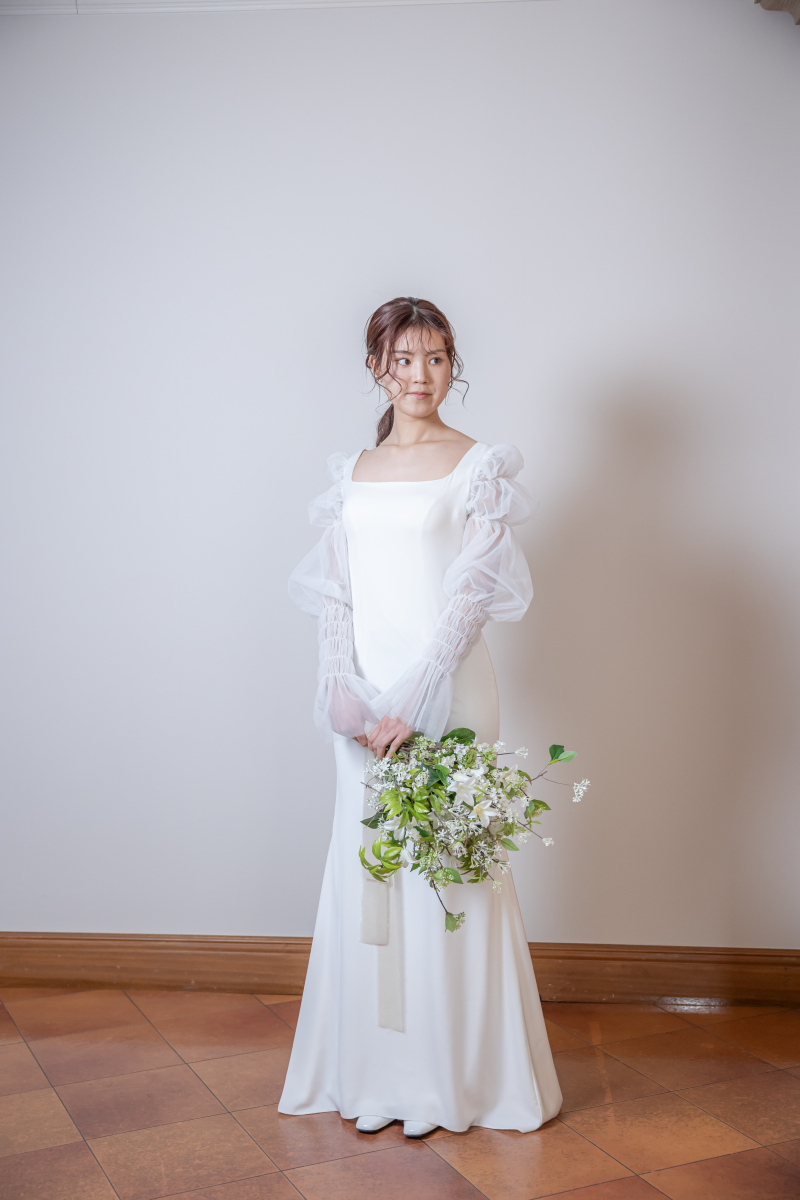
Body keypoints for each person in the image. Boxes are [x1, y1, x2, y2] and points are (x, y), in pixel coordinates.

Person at [278, 297, 562, 1136]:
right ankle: (375, 1077)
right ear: (377, 367)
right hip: (363, 706)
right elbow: (338, 594)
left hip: (445, 693)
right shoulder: (353, 471)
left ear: (452, 366)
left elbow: (469, 599)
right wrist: (342, 687)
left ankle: (452, 1083)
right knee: (368, 867)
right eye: (403, 359)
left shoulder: (478, 467)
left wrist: (414, 699)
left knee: (451, 875)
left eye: (435, 358)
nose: (420, 375)